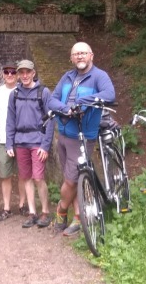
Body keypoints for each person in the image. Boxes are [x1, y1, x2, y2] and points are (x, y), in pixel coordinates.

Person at [48, 42, 115, 235]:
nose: (79, 57)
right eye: (76, 54)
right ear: (71, 58)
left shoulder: (99, 77)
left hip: (83, 136)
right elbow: (52, 98)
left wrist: (81, 103)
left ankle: (61, 209)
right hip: (64, 134)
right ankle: (78, 217)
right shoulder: (67, 77)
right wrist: (64, 109)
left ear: (91, 55)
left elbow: (109, 95)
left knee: (70, 180)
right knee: (73, 179)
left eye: (83, 53)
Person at [6, 60, 55, 229]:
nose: (25, 75)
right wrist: (9, 144)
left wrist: (45, 145)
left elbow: (50, 119)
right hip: (21, 142)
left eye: (28, 72)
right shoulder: (15, 94)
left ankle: (45, 212)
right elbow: (10, 121)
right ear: (19, 75)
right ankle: (32, 212)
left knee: (38, 178)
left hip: (38, 141)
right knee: (25, 177)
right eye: (22, 73)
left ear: (34, 73)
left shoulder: (43, 92)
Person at [0, 62, 28, 222]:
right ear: (3, 75)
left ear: (17, 75)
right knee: (5, 175)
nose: (10, 75)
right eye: (7, 72)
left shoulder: (23, 90)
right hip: (3, 138)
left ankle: (23, 204)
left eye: (13, 72)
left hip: (22, 139)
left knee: (23, 174)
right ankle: (7, 207)